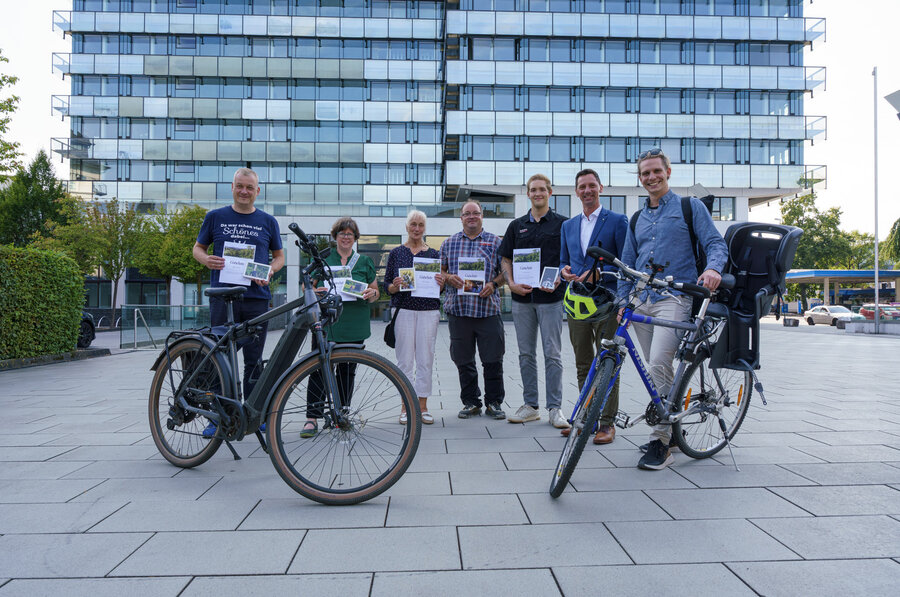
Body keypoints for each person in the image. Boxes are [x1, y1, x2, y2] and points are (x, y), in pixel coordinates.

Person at [621, 148, 727, 470]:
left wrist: (713, 269)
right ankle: (672, 429)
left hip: (675, 298)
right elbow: (627, 263)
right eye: (645, 173)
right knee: (658, 370)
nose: (651, 177)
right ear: (640, 178)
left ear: (668, 172)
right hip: (643, 300)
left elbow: (715, 243)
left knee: (658, 362)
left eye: (657, 171)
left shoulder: (689, 207)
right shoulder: (636, 218)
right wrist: (624, 301)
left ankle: (661, 440)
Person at [193, 167, 284, 438]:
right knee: (219, 357)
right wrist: (206, 259)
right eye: (240, 186)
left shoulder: (268, 221)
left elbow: (279, 257)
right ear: (232, 188)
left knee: (254, 360)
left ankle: (255, 415)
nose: (244, 191)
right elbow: (198, 248)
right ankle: (218, 416)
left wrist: (270, 270)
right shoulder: (215, 217)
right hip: (223, 298)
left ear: (258, 191)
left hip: (256, 299)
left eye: (249, 187)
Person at [559, 169, 627, 445]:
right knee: (583, 362)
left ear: (601, 187)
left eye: (591, 185)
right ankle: (586, 418)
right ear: (576, 192)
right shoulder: (568, 226)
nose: (587, 191)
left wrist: (601, 273)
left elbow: (626, 262)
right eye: (582, 187)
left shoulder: (617, 221)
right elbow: (564, 260)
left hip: (607, 302)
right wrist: (564, 271)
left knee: (607, 361)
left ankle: (607, 423)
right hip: (577, 304)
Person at [499, 174, 569, 429]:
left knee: (553, 354)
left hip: (551, 299)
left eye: (542, 189)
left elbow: (570, 258)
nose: (537, 193)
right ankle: (530, 406)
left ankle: (555, 408)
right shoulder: (516, 226)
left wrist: (561, 276)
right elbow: (505, 259)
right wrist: (510, 283)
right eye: (533, 190)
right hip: (522, 299)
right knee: (526, 354)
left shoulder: (563, 224)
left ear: (550, 192)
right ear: (528, 193)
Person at [301, 217, 378, 438]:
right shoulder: (323, 259)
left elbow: (375, 291)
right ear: (335, 236)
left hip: (354, 323)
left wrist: (372, 293)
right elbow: (308, 288)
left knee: (347, 370)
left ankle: (342, 415)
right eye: (342, 233)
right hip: (327, 322)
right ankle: (312, 418)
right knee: (318, 368)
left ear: (355, 238)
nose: (346, 237)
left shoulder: (364, 261)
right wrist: (315, 292)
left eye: (350, 234)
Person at [440, 199, 507, 420]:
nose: (471, 217)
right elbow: (440, 272)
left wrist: (493, 284)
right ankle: (471, 402)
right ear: (461, 218)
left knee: (493, 359)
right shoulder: (448, 243)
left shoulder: (496, 242)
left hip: (487, 311)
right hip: (459, 311)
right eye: (467, 213)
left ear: (481, 216)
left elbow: (506, 272)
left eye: (475, 213)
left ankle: (494, 402)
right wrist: (449, 277)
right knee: (463, 360)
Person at [384, 210, 445, 425]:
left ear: (425, 228)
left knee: (426, 359)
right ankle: (406, 407)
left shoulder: (435, 254)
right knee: (405, 361)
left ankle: (423, 406)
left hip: (428, 311)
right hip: (404, 310)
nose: (417, 228)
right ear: (406, 226)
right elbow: (387, 286)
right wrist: (394, 285)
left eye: (420, 225)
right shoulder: (396, 253)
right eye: (413, 224)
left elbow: (440, 289)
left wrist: (441, 283)